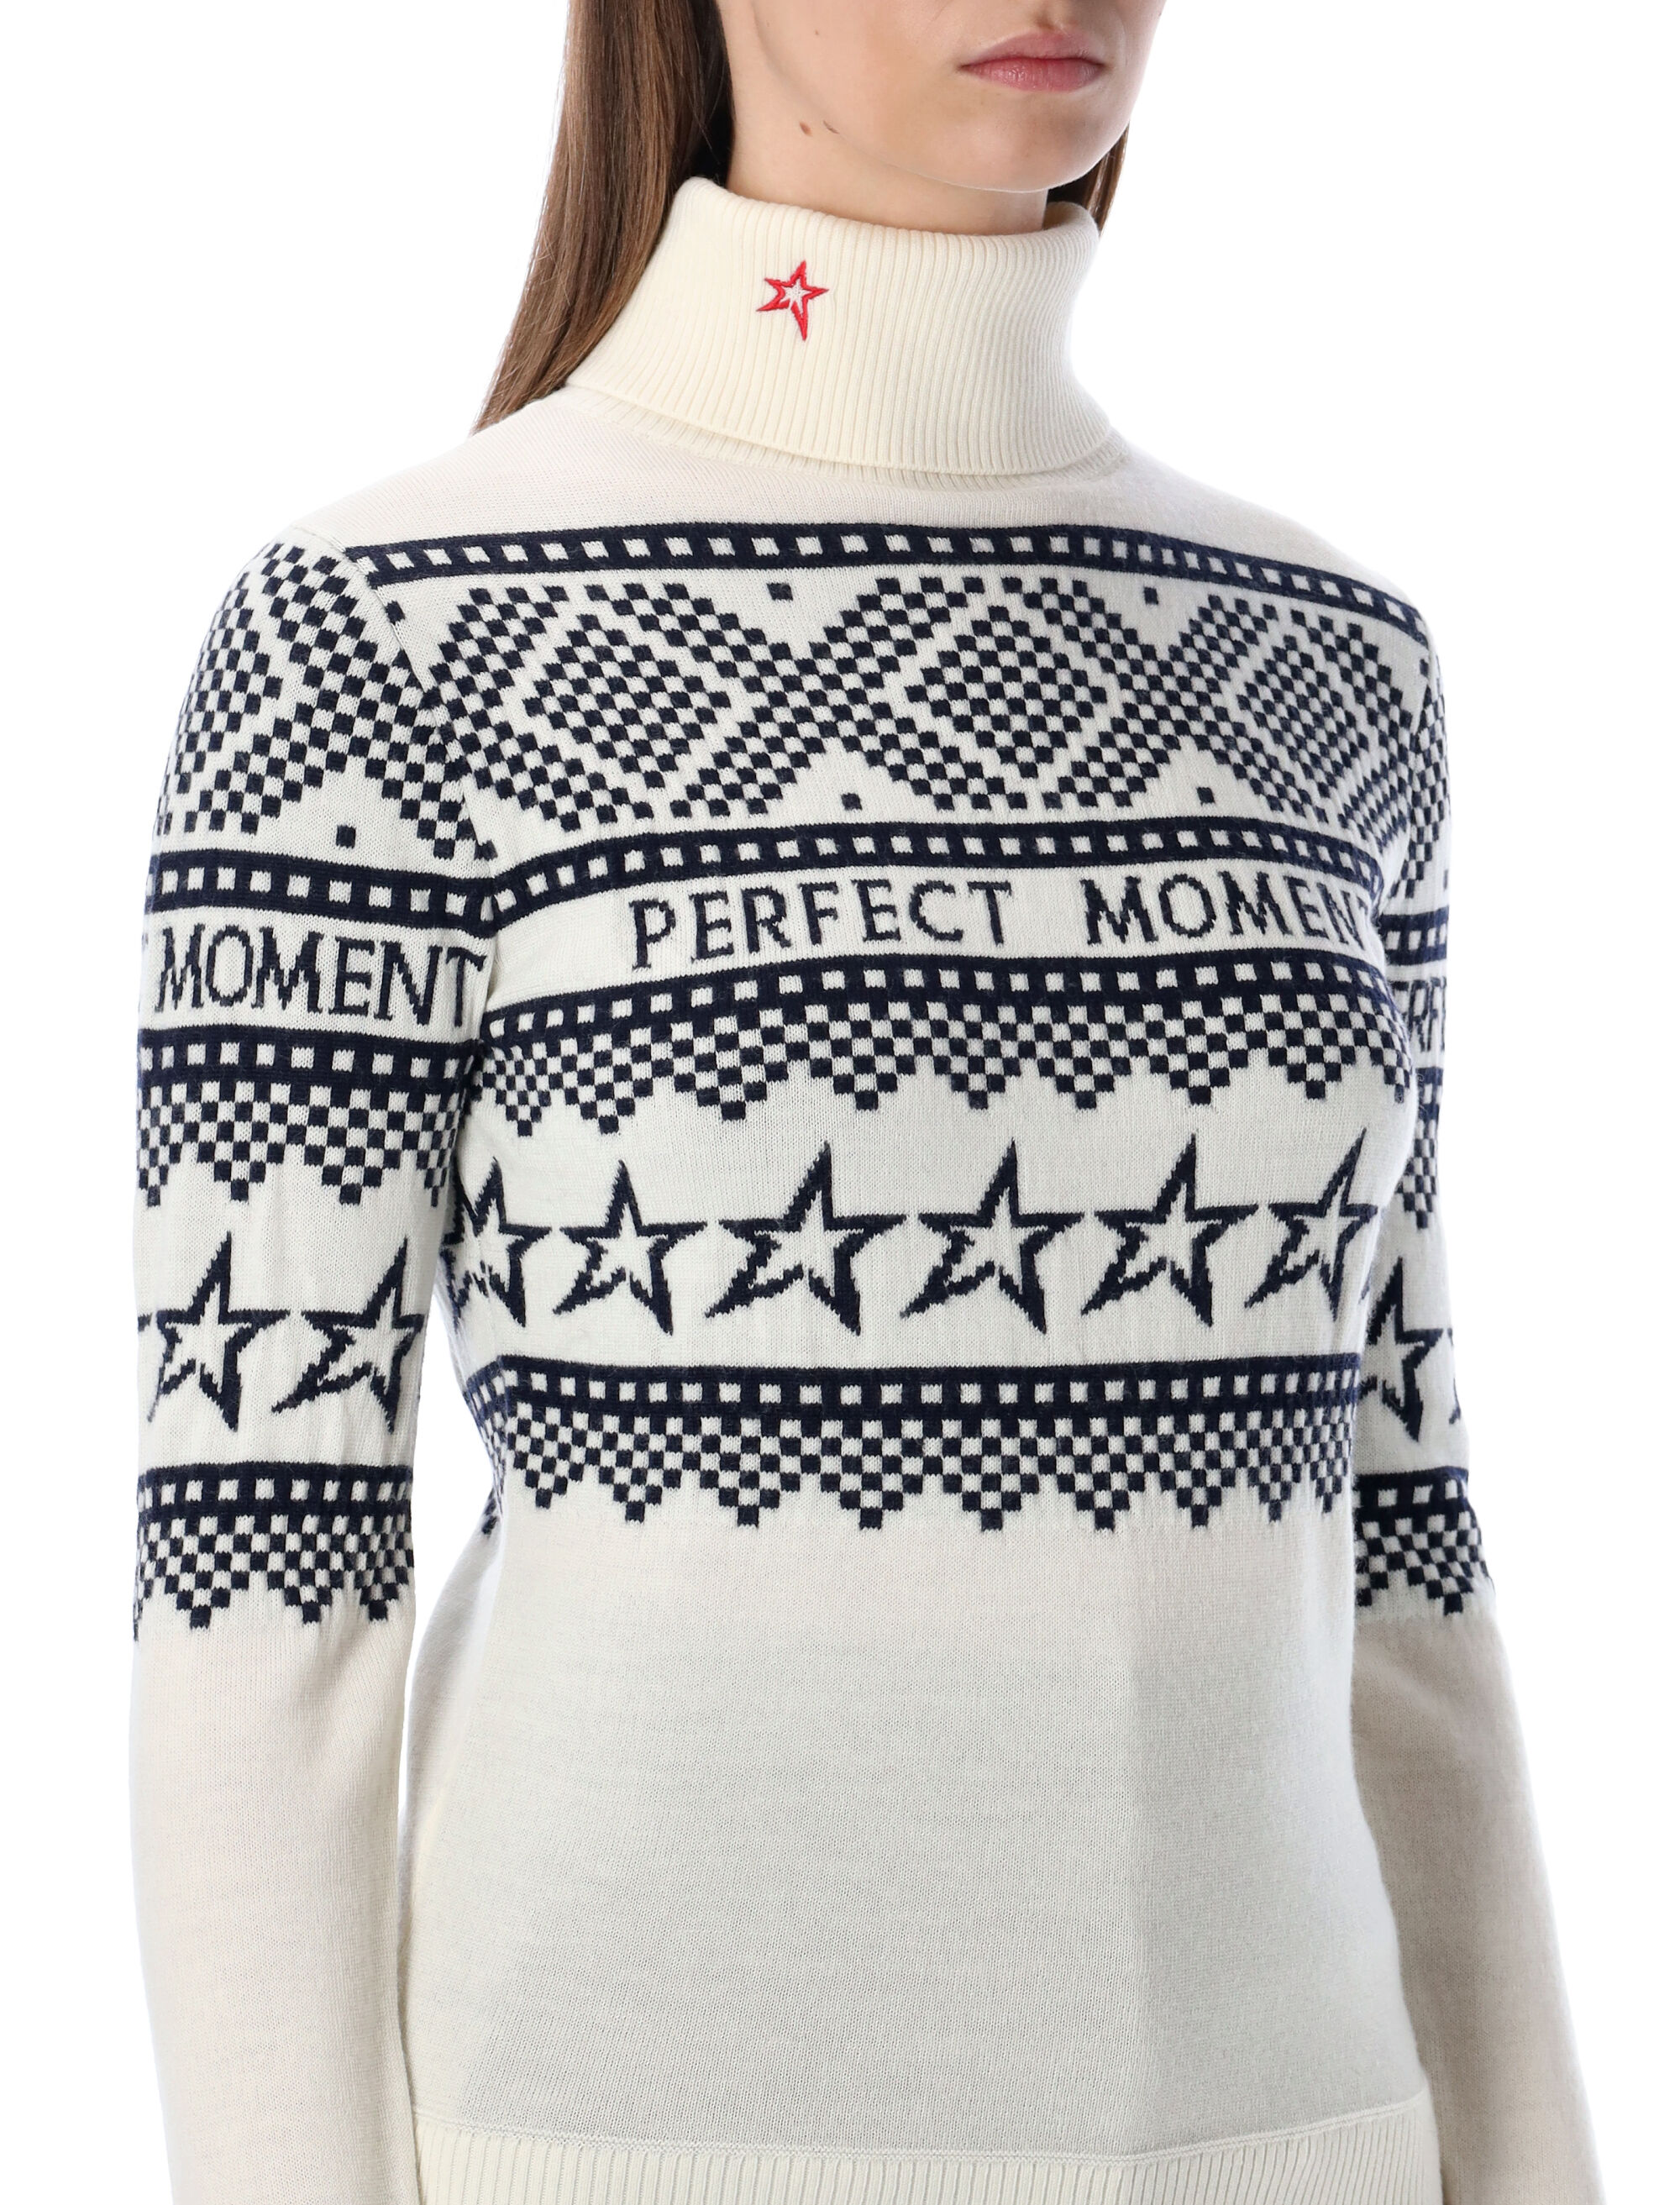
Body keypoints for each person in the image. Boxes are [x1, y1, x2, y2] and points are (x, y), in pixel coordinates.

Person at [129, 5, 1602, 2202]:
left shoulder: (1337, 661)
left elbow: (1401, 1535)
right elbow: (261, 1587)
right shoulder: (381, 638)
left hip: (1300, 2146)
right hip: (624, 2155)